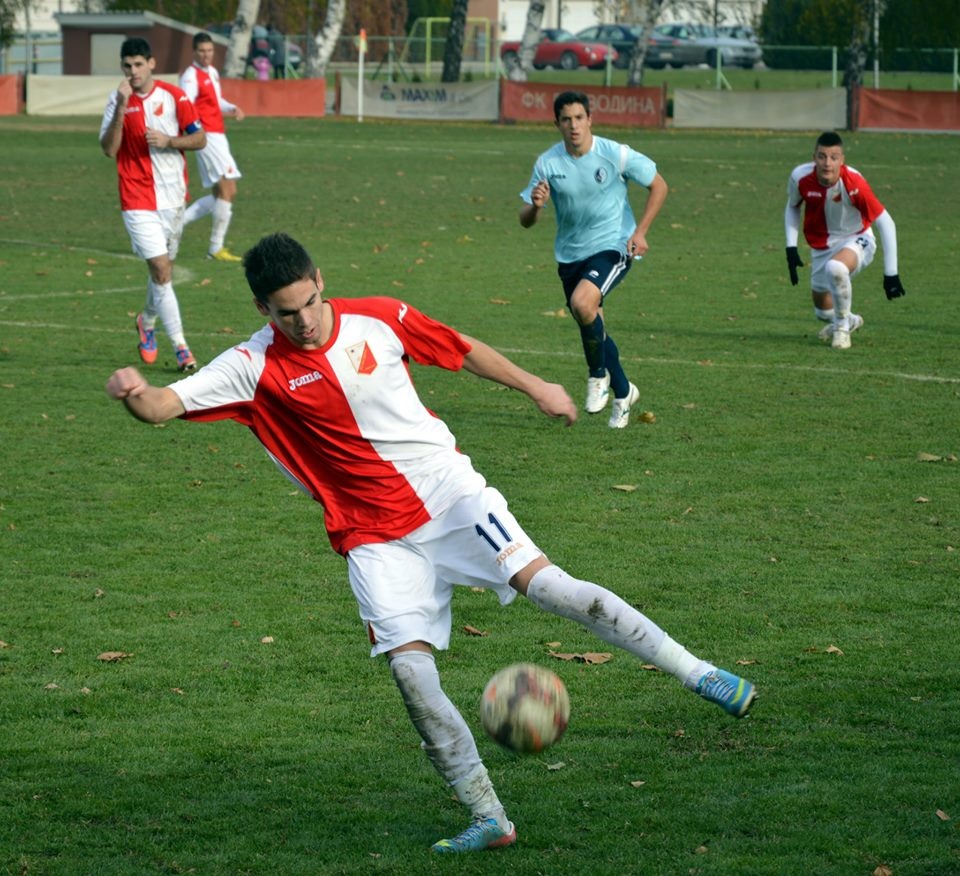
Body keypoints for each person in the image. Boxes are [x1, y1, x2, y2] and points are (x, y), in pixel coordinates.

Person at [105, 232, 757, 854]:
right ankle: (487, 816)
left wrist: (536, 386)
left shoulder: (377, 319)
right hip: (373, 537)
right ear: (262, 309)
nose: (303, 321)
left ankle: (699, 673)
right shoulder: (252, 366)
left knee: (553, 588)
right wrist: (136, 393)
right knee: (411, 675)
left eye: (309, 302)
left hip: (450, 496)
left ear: (320, 281)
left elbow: (461, 348)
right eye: (286, 313)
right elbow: (165, 405)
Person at [519, 90, 668, 429]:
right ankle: (624, 391)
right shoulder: (547, 163)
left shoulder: (614, 154)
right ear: (557, 124)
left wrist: (641, 232)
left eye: (579, 118)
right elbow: (525, 219)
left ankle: (597, 376)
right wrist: (536, 206)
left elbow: (659, 185)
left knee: (582, 303)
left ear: (590, 119)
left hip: (614, 245)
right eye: (566, 120)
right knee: (591, 320)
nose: (573, 126)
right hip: (570, 256)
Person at [99, 37, 206, 372]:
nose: (132, 71)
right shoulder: (117, 100)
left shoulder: (174, 96)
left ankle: (146, 322)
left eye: (138, 65)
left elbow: (200, 138)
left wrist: (169, 140)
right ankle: (182, 348)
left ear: (151, 64)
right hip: (136, 199)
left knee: (163, 272)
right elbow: (109, 149)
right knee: (160, 269)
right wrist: (121, 106)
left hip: (173, 198)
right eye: (127, 66)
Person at [785, 130, 906, 350]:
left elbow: (886, 222)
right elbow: (792, 207)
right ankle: (850, 319)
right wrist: (790, 248)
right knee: (823, 312)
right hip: (822, 247)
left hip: (857, 238)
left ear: (842, 160)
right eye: (822, 156)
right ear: (814, 158)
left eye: (834, 157)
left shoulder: (853, 182)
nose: (827, 163)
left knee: (836, 268)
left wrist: (891, 273)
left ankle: (841, 329)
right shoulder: (799, 177)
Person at [180, 32, 245, 263]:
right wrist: (196, 133)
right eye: (201, 51)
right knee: (228, 189)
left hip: (218, 134)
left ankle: (174, 225)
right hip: (206, 137)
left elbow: (216, 100)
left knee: (222, 193)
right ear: (194, 52)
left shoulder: (212, 72)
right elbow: (186, 105)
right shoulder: (190, 76)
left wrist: (231, 107)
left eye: (209, 51)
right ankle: (215, 248)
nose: (206, 55)